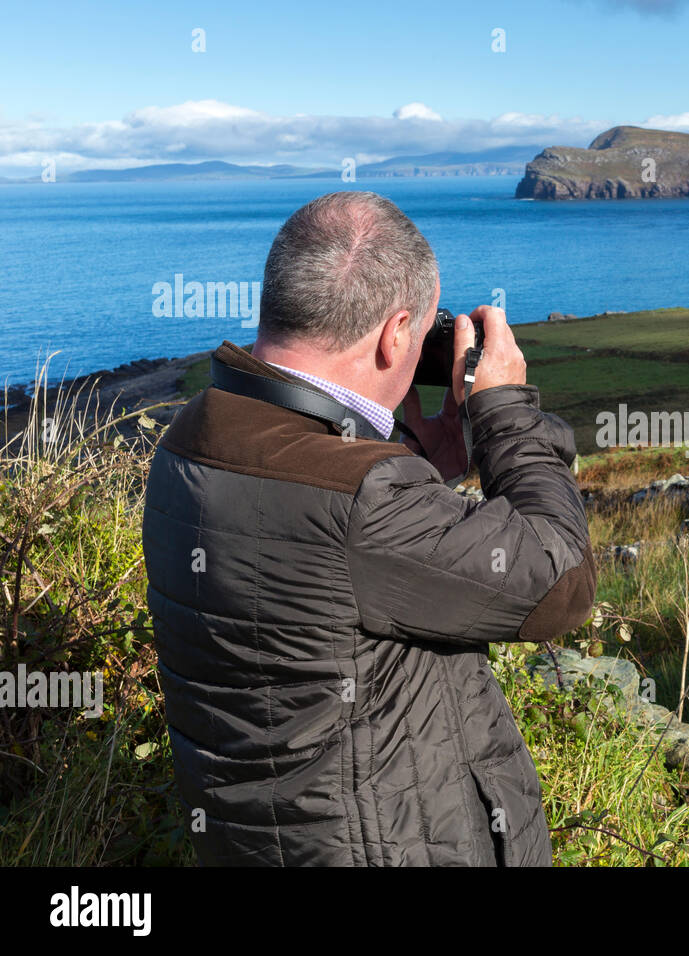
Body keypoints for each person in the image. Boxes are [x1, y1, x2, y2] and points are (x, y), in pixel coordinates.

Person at [141, 190, 595, 866]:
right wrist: (502, 412)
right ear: (394, 334)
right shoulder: (364, 502)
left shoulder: (191, 436)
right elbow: (561, 582)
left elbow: (322, 563)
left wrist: (404, 454)